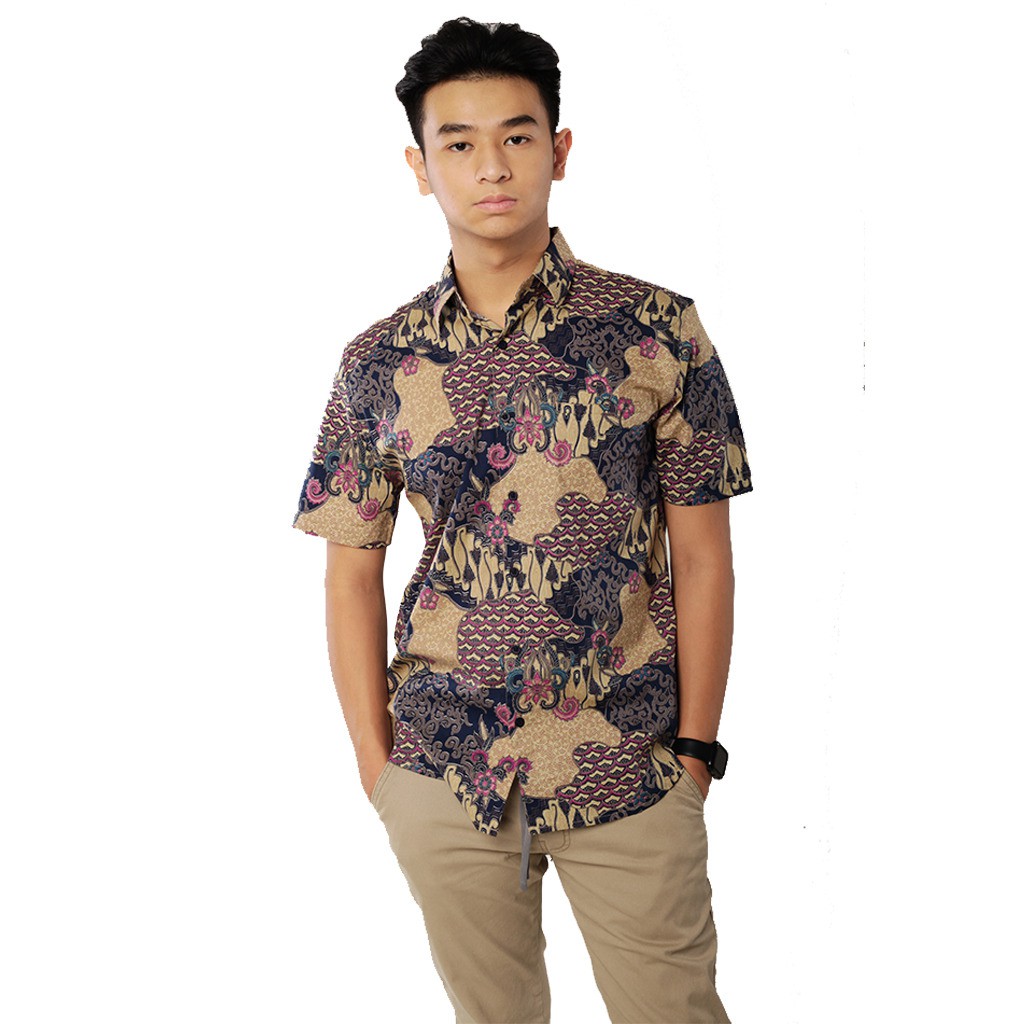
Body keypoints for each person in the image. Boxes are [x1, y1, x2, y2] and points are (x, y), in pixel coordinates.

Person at [291, 16, 752, 1024]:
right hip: (444, 771)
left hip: (630, 760)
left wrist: (695, 755)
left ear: (559, 149)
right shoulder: (378, 362)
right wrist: (380, 772)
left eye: (516, 135)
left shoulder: (656, 330)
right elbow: (350, 571)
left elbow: (704, 558)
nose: (490, 166)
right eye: (458, 142)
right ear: (420, 167)